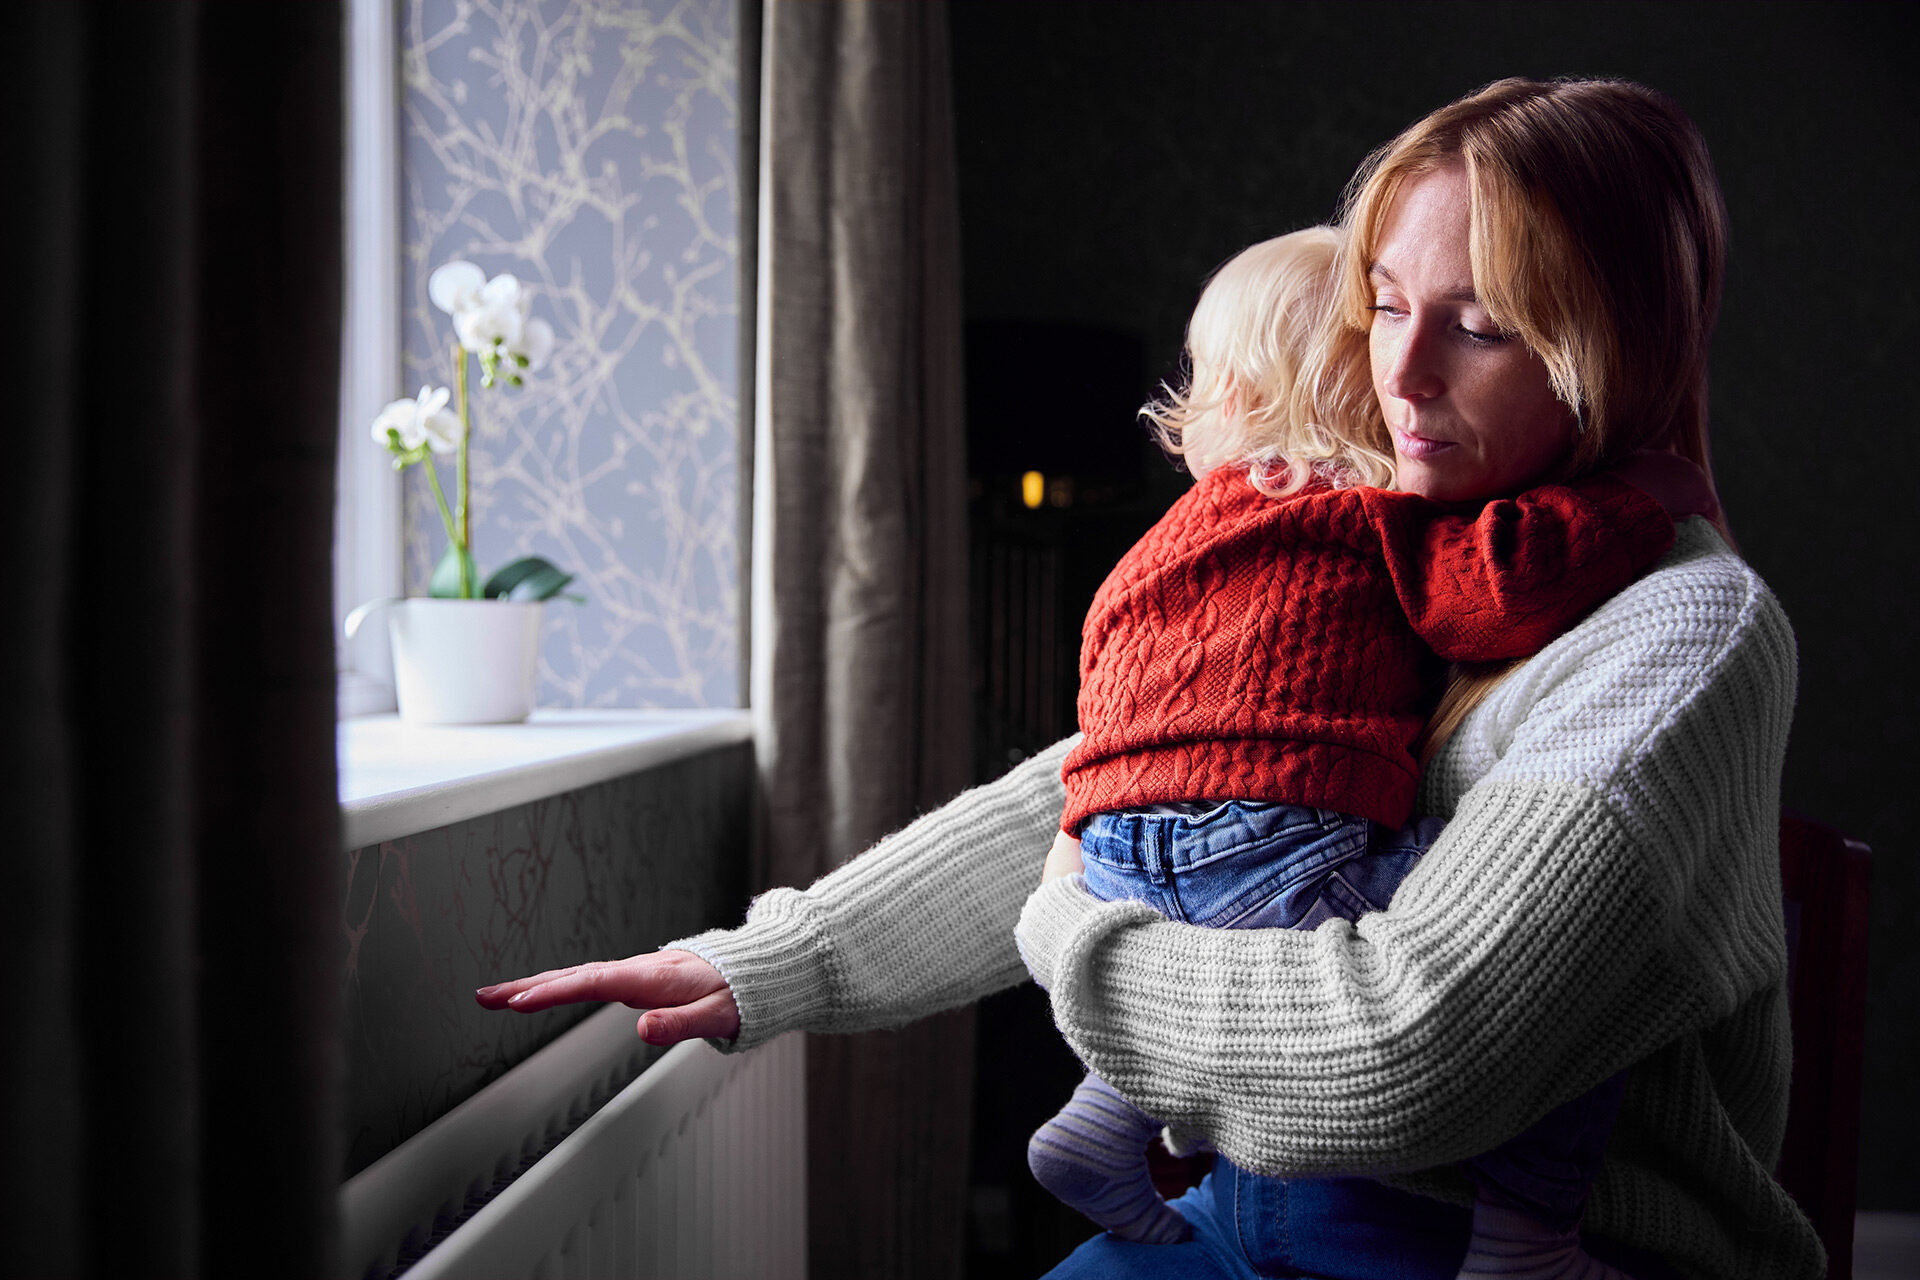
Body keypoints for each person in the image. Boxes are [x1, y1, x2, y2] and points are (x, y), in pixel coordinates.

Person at [478, 78, 1820, 1280]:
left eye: (1477, 327)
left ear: (1613, 351)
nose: (1396, 375)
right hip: (1253, 1222)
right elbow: (1107, 792)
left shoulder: (1681, 637)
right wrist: (767, 961)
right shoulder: (1400, 549)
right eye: (1388, 307)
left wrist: (1074, 942)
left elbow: (1407, 1053)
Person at [1023, 223, 1682, 1280]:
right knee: (1570, 971)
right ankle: (1529, 1233)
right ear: (1357, 396)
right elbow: (1500, 589)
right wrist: (1643, 499)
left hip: (1111, 845)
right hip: (1269, 832)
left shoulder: (1165, 543)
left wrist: (1088, 847)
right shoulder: (1359, 506)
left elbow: (1105, 693)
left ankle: (1102, 1118)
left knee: (1201, 933)